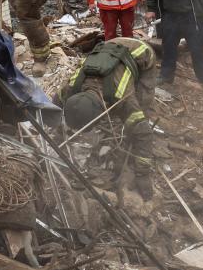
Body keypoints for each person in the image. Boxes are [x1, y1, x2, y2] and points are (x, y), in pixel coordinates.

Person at [57, 36, 158, 198]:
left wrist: (142, 175)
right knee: (129, 116)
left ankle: (133, 134)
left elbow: (144, 134)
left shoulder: (122, 97)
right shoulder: (72, 88)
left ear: (99, 115)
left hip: (140, 51)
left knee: (140, 114)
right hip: (110, 46)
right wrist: (55, 136)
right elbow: (55, 105)